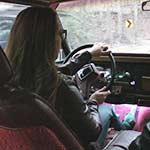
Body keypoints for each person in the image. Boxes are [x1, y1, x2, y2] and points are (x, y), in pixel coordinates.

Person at [5, 6, 125, 148]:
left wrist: (89, 54)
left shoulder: (9, 81)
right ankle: (125, 130)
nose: (61, 41)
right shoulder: (60, 87)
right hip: (74, 144)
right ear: (48, 40)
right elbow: (92, 131)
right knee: (106, 110)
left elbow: (61, 69)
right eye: (59, 34)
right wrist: (92, 103)